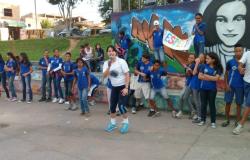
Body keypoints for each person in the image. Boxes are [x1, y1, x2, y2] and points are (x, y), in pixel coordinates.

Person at [203, 0, 250, 71]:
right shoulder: (207, 51)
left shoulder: (248, 53)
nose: (230, 28)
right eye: (221, 20)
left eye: (238, 19)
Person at [103, 45, 130, 134]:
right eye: (109, 51)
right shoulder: (106, 63)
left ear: (116, 52)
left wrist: (126, 87)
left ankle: (125, 123)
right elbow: (104, 75)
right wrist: (109, 66)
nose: (111, 53)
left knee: (121, 106)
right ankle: (113, 123)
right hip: (114, 87)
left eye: (112, 51)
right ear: (107, 53)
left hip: (123, 87)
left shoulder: (121, 61)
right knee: (112, 107)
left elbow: (127, 75)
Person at [198, 52, 223, 129]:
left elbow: (216, 79)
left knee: (212, 105)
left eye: (208, 58)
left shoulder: (218, 68)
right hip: (203, 88)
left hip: (212, 90)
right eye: (206, 58)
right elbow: (199, 76)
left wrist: (205, 76)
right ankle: (203, 120)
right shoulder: (203, 66)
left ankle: (213, 122)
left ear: (213, 59)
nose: (206, 59)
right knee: (203, 105)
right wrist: (211, 77)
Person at [222, 44, 244, 127]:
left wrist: (241, 64)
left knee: (239, 104)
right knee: (228, 102)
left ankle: (237, 121)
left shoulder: (245, 62)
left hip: (240, 86)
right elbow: (226, 74)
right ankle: (226, 120)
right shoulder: (230, 62)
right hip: (230, 86)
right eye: (237, 51)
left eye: (240, 50)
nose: (238, 52)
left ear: (242, 51)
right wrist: (226, 85)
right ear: (234, 52)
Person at [233, 50, 250, 135]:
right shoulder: (247, 53)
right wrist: (240, 69)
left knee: (248, 104)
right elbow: (240, 65)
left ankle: (240, 125)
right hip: (246, 82)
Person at [176, 54, 195, 118]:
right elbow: (187, 75)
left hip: (191, 84)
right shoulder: (188, 65)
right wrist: (181, 75)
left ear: (194, 59)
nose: (190, 59)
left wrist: (188, 69)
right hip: (187, 83)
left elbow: (192, 74)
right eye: (189, 57)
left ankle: (185, 111)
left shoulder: (194, 65)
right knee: (183, 97)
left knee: (183, 97)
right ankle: (190, 111)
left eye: (192, 58)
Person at [189, 53, 205, 123]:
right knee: (193, 100)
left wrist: (197, 63)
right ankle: (198, 115)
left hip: (197, 85)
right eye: (199, 57)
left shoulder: (202, 65)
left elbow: (194, 73)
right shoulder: (198, 65)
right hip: (193, 84)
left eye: (201, 57)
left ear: (204, 59)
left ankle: (199, 117)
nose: (199, 58)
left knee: (197, 101)